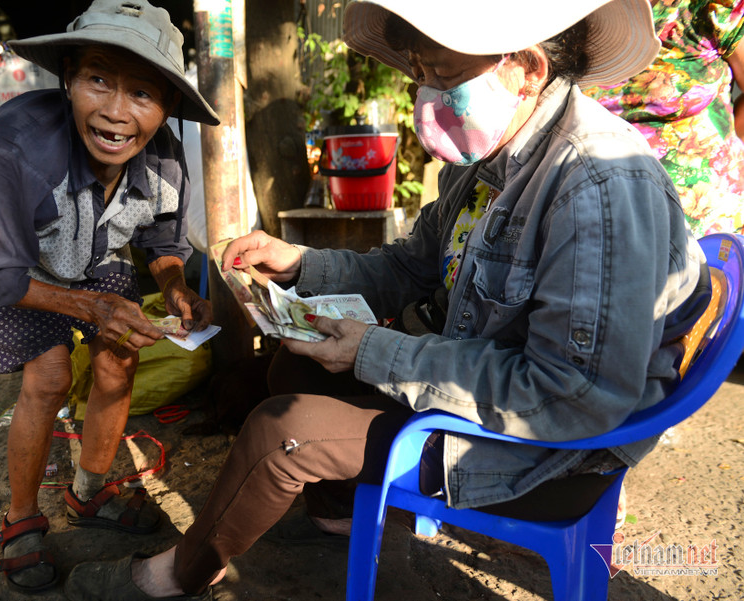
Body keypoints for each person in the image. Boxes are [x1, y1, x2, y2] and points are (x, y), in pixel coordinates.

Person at [64, 0, 711, 599]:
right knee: (291, 366)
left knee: (281, 433)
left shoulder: (596, 185)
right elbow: (410, 264)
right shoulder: (484, 156)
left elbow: (574, 395)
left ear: (527, 70)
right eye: (420, 70)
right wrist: (298, 263)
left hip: (559, 445)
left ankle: (173, 577)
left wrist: (377, 351)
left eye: (444, 72)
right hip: (508, 383)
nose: (425, 92)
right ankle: (343, 512)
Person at [0, 0, 219, 593]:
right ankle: (21, 521)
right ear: (68, 76)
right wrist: (92, 307)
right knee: (48, 379)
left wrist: (174, 285)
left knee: (117, 363)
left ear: (168, 106)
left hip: (97, 259)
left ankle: (89, 493)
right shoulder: (14, 150)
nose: (116, 113)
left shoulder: (165, 156)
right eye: (98, 80)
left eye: (143, 94)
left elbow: (163, 240)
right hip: (21, 269)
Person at [584, 0, 744, 238]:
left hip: (702, 224)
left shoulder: (715, 8)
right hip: (602, 213)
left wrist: (729, 152)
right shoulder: (576, 13)